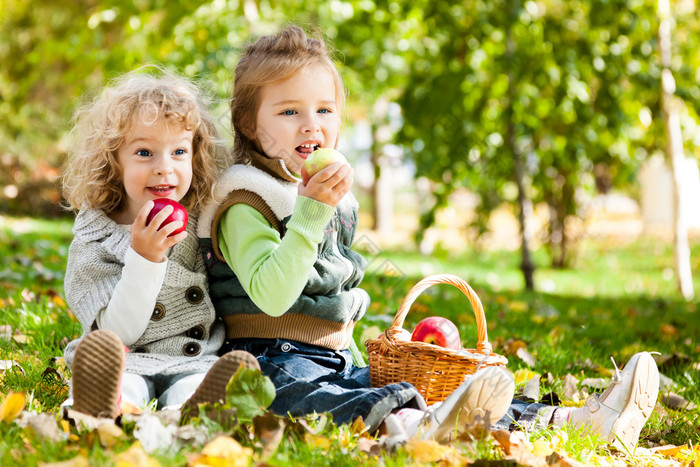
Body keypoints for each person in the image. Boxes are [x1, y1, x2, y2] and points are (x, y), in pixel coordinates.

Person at [197, 26, 659, 450]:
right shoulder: (245, 202)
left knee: (410, 386)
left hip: (332, 357)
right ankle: (423, 427)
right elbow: (274, 297)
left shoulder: (325, 197)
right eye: (289, 111)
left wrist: (360, 354)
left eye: (324, 109)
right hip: (269, 361)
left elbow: (331, 296)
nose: (310, 124)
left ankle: (573, 419)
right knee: (319, 400)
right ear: (250, 125)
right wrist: (311, 211)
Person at [61, 68, 259, 421]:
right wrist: (144, 258)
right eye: (144, 153)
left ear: (195, 156)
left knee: (194, 387)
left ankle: (199, 411)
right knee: (125, 384)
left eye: (179, 151)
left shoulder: (204, 219)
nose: (164, 168)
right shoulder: (97, 236)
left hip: (193, 357)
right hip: (125, 356)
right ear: (113, 160)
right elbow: (117, 331)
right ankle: (104, 406)